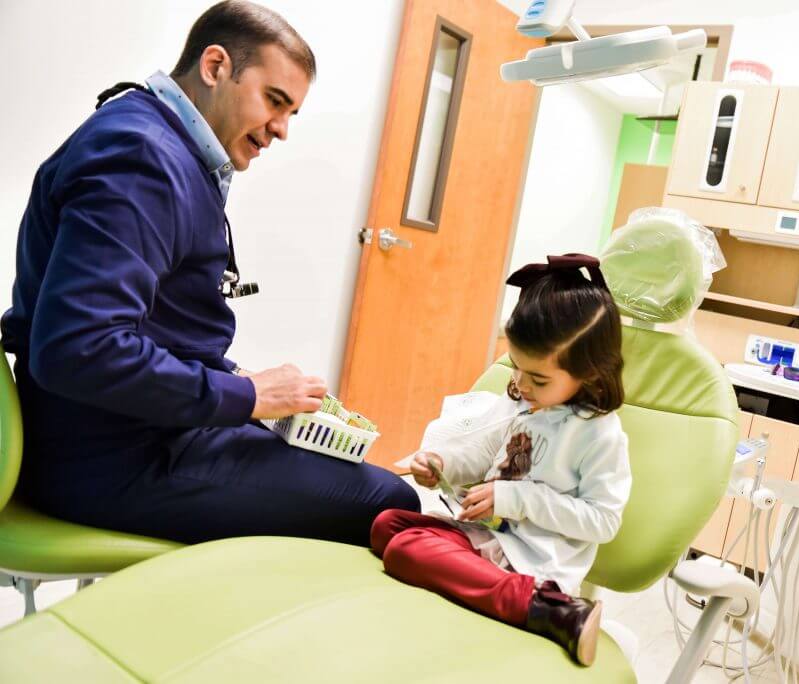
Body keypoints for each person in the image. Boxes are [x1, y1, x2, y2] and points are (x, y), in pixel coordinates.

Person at [0, 1, 419, 546]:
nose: (282, 129)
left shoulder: (156, 140)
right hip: (109, 460)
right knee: (390, 503)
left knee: (343, 472)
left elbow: (141, 327)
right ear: (216, 66)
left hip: (125, 433)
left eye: (292, 112)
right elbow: (79, 348)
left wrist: (244, 391)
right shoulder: (143, 158)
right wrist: (245, 397)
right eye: (275, 101)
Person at [370, 254, 632, 666]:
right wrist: (443, 463)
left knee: (406, 550)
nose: (521, 385)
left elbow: (603, 521)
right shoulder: (525, 404)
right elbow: (483, 453)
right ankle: (487, 583)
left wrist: (513, 499)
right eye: (516, 368)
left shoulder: (597, 433)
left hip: (530, 560)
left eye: (539, 379)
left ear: (591, 374)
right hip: (486, 537)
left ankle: (550, 610)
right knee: (388, 526)